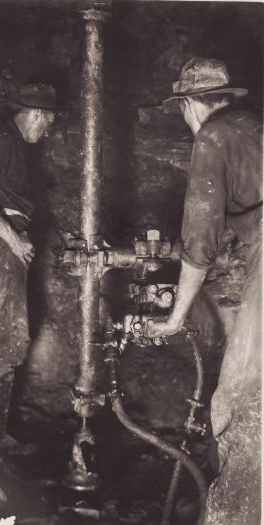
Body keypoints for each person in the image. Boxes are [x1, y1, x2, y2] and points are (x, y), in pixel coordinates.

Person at [145, 57, 262, 524]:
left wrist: (175, 317)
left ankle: (235, 514)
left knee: (240, 399)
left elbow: (200, 240)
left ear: (190, 104)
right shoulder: (251, 125)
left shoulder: (211, 137)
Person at [0, 84, 56, 467]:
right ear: (35, 114)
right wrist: (14, 240)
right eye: (48, 123)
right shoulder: (4, 140)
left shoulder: (12, 145)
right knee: (6, 341)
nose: (47, 131)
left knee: (8, 340)